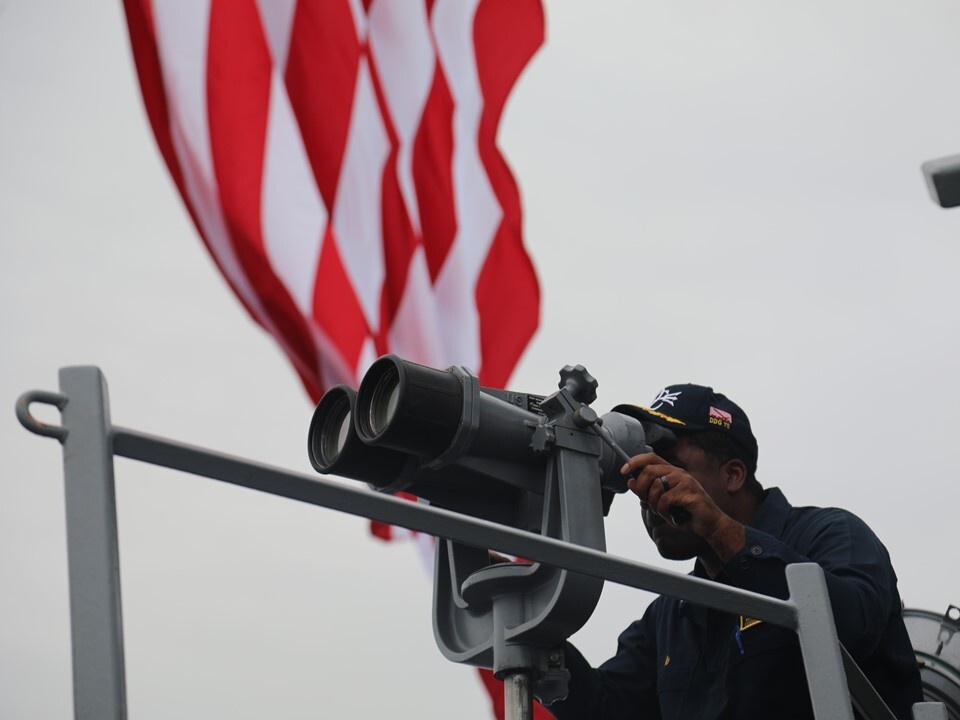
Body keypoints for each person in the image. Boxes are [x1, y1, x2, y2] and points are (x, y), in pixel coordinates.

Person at [545, 383, 922, 720]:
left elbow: (852, 626)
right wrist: (525, 621)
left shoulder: (832, 534)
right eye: (639, 473)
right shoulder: (671, 613)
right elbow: (605, 709)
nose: (648, 493)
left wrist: (719, 530)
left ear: (733, 475)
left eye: (667, 468)